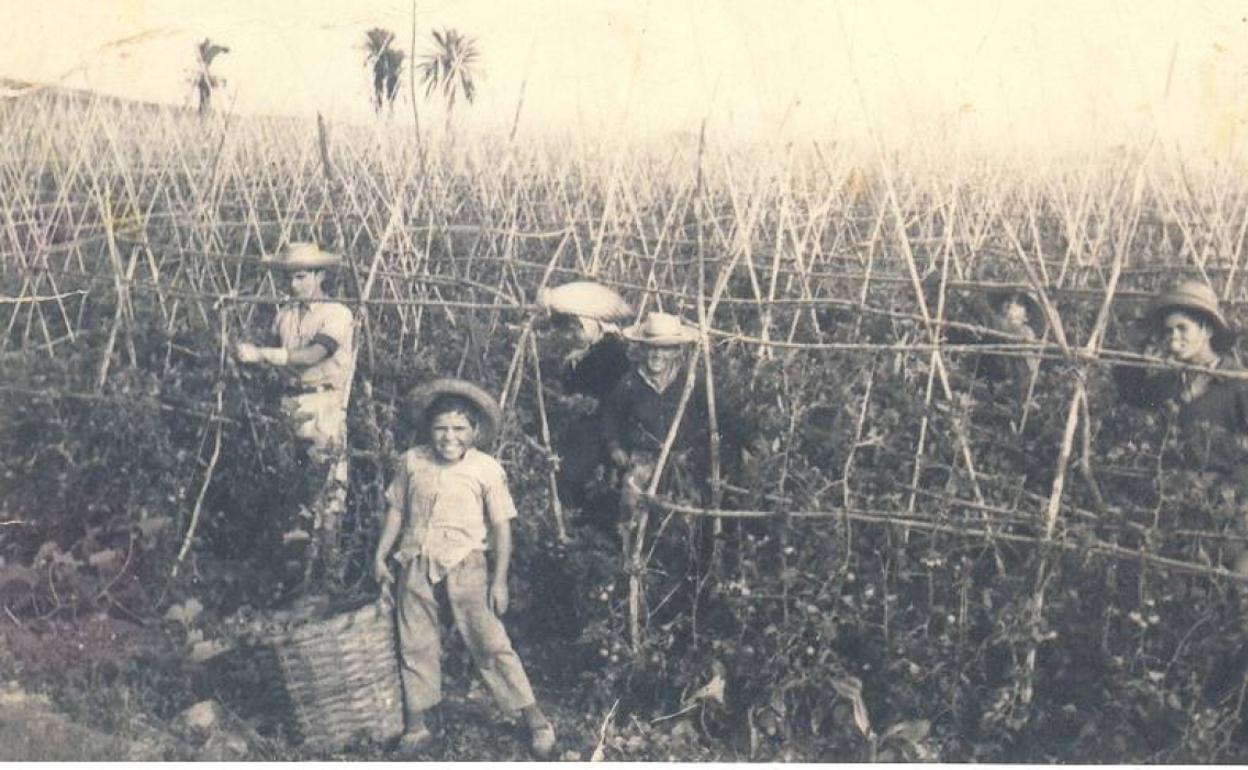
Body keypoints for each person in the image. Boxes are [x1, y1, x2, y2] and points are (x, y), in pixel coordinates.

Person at [373, 379, 556, 759]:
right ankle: (416, 725)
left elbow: (502, 527)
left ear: (474, 431)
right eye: (440, 428)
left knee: (489, 641)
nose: (448, 437)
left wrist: (500, 579)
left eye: (459, 429)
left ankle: (535, 719)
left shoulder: (486, 469)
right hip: (416, 560)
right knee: (415, 642)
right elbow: (396, 510)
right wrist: (380, 554)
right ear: (428, 429)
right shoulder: (412, 462)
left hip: (466, 563)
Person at [235, 242, 354, 594]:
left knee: (329, 490)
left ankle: (327, 577)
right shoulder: (285, 314)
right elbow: (278, 359)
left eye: (301, 277)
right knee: (291, 489)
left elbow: (312, 355)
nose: (293, 285)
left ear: (320, 275)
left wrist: (261, 355)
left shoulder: (337, 314)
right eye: (288, 278)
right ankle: (294, 578)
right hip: (290, 405)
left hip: (324, 404)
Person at [1112, 280, 1248, 571]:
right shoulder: (1169, 384)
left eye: (1182, 329)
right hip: (1174, 506)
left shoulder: (1237, 385)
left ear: (1207, 330)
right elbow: (1130, 394)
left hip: (1225, 512)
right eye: (1168, 331)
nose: (1173, 338)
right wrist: (1138, 341)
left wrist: (1235, 494)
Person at [534, 281, 633, 509]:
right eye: (570, 330)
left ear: (590, 326)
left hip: (601, 429)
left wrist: (576, 403)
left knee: (580, 475)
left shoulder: (611, 353)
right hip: (582, 427)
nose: (572, 335)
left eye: (576, 329)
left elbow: (610, 399)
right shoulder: (583, 352)